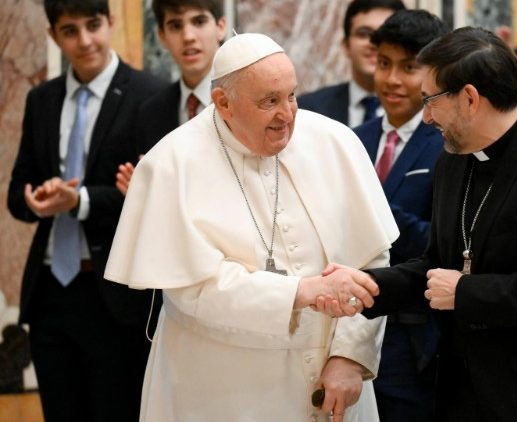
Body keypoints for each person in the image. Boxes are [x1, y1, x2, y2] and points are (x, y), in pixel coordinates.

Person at [104, 33, 398, 422]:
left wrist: (350, 357)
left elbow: (371, 258)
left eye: (291, 96)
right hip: (224, 391)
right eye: (269, 101)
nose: (287, 115)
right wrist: (302, 291)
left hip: (336, 385)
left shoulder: (333, 142)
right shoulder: (172, 164)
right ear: (223, 102)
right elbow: (195, 291)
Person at [322, 27, 517, 421]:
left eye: (431, 101)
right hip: (464, 390)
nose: (425, 117)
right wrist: (368, 286)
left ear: (470, 98)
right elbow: (436, 265)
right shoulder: (454, 161)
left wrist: (464, 291)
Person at [6, 0, 165, 420]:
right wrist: (38, 199)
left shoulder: (148, 95)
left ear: (110, 22)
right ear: (53, 35)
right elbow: (17, 195)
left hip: (113, 295)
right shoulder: (41, 99)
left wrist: (82, 201)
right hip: (49, 294)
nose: (85, 40)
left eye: (93, 25)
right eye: (70, 31)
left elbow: (151, 198)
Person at [352, 9, 447, 421]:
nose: (392, 79)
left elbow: (441, 242)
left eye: (408, 68)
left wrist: (374, 208)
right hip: (351, 318)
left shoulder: (445, 143)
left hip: (414, 335)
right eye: (384, 63)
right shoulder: (354, 139)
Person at [115, 0, 225, 194]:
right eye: (175, 26)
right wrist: (142, 196)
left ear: (220, 27)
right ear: (162, 36)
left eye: (199, 22)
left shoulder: (245, 100)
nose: (188, 36)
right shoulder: (151, 113)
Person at [296, 0, 405, 127]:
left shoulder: (421, 112)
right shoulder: (308, 109)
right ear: (346, 45)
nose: (374, 43)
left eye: (385, 35)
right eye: (364, 34)